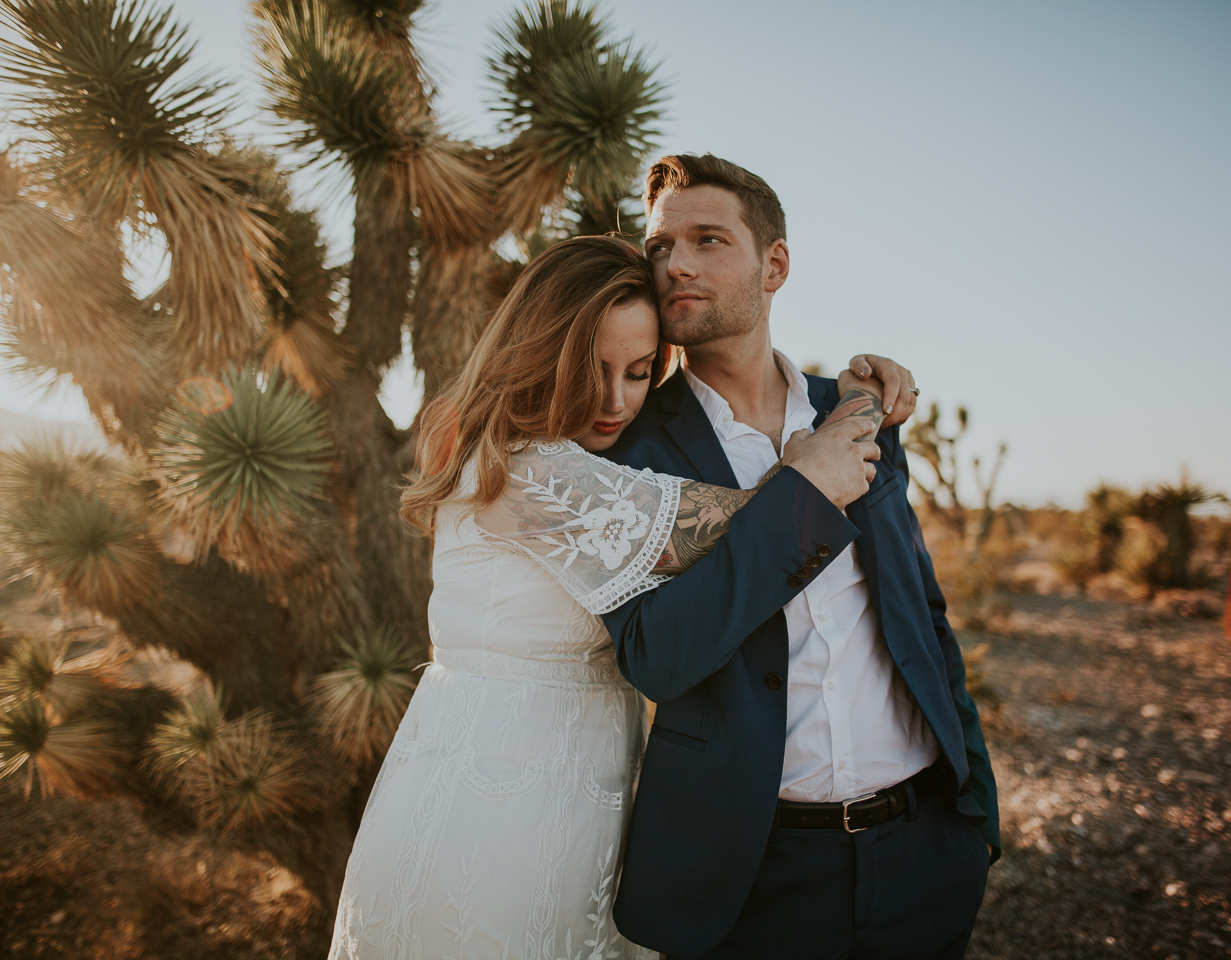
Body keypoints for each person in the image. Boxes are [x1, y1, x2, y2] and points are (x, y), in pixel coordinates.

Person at [326, 234, 910, 959]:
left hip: (566, 789)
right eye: (591, 370)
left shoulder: (535, 457)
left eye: (639, 373)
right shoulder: (526, 470)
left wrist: (850, 405)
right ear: (538, 352)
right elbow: (759, 516)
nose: (613, 401)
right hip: (501, 806)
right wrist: (856, 407)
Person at [599, 155, 1002, 960]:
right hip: (752, 878)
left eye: (708, 239)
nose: (675, 262)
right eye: (658, 247)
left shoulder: (855, 411)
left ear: (773, 264)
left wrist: (975, 812)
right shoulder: (627, 453)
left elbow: (923, 615)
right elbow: (656, 656)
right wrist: (801, 495)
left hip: (928, 850)